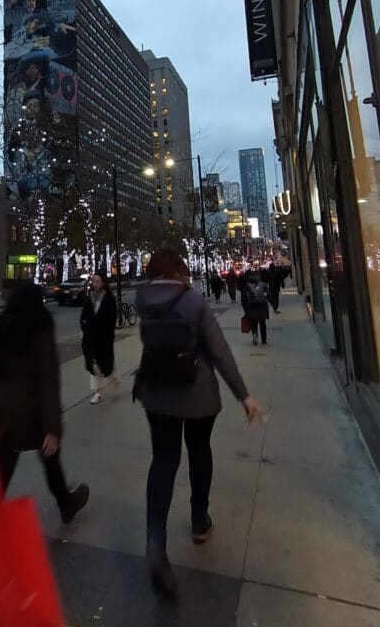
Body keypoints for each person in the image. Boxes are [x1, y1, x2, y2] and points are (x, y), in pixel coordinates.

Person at [135, 248, 264, 599]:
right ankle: (199, 520)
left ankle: (155, 542)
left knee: (163, 460)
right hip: (197, 393)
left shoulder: (141, 299)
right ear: (180, 269)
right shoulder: (192, 301)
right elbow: (219, 350)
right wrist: (244, 395)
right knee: (199, 450)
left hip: (156, 392)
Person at [0, 281, 89, 523]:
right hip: (35, 411)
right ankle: (66, 503)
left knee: (3, 468)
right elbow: (49, 378)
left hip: (7, 409)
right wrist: (53, 427)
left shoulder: (1, 325)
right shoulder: (42, 326)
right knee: (51, 463)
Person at [80, 270, 118, 404]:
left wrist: (106, 332)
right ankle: (98, 392)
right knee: (94, 365)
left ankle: (112, 378)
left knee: (104, 364)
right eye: (93, 281)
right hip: (90, 338)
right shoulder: (89, 297)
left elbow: (112, 319)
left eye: (97, 281)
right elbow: (83, 316)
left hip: (104, 338)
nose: (95, 284)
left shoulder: (108, 298)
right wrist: (85, 326)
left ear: (103, 283)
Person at [242, 270, 270, 345]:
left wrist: (245, 308)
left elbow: (244, 298)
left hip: (252, 307)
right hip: (262, 307)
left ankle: (255, 336)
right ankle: (264, 340)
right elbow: (268, 295)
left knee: (254, 323)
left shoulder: (247, 285)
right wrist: (273, 306)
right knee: (262, 324)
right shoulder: (263, 284)